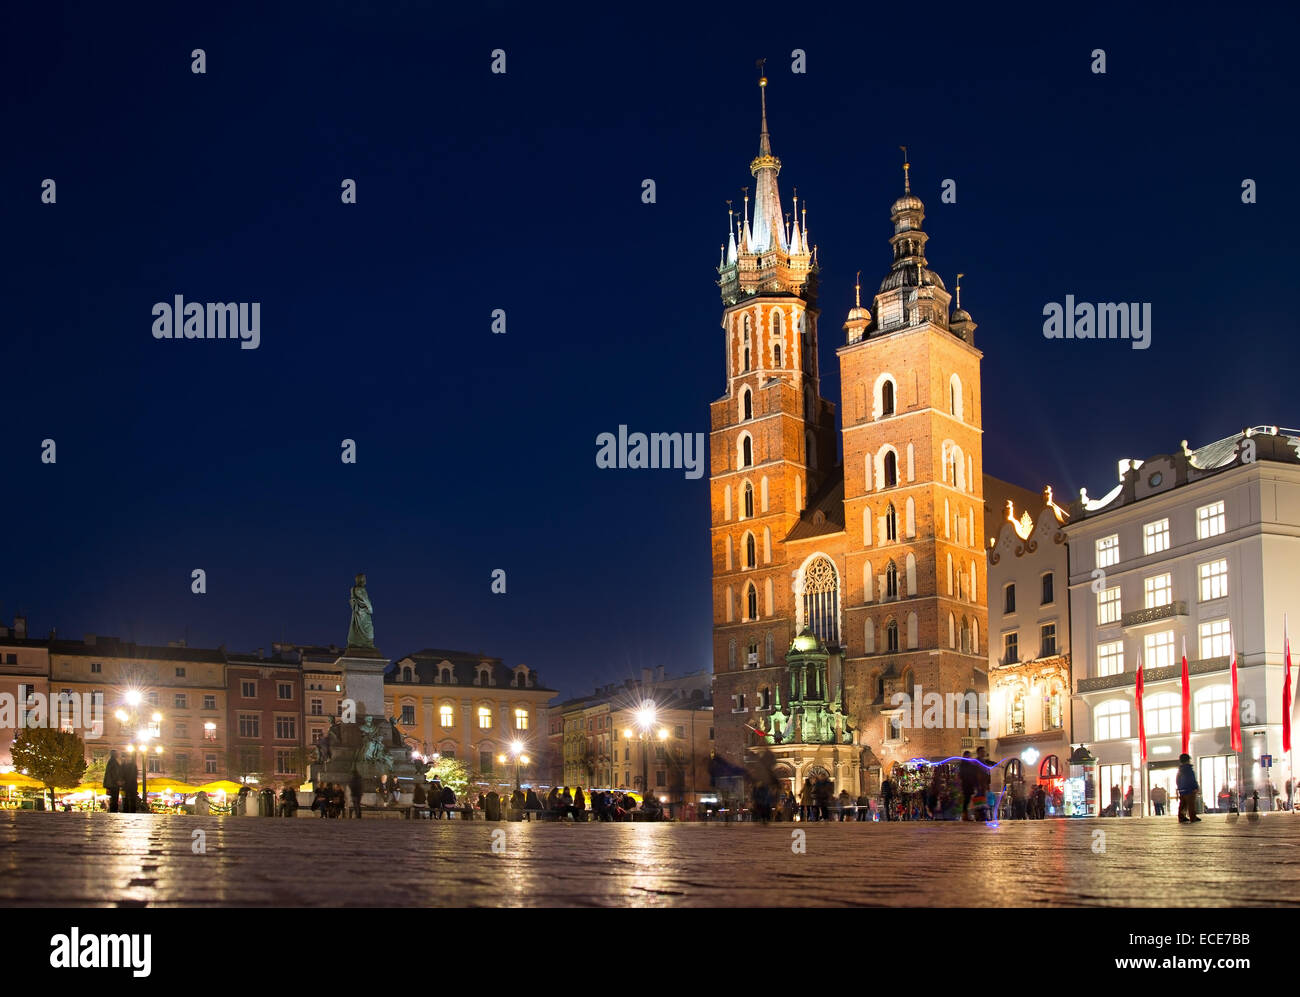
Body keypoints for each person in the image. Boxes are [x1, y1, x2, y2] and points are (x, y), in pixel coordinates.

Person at [1176, 753, 1201, 823]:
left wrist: (1179, 788)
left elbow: (1177, 780)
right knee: (1191, 804)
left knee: (1182, 804)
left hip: (1182, 790)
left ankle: (1181, 817)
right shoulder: (1188, 769)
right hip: (1189, 790)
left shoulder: (1180, 770)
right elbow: (1191, 779)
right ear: (1188, 760)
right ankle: (1193, 817)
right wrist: (1195, 787)